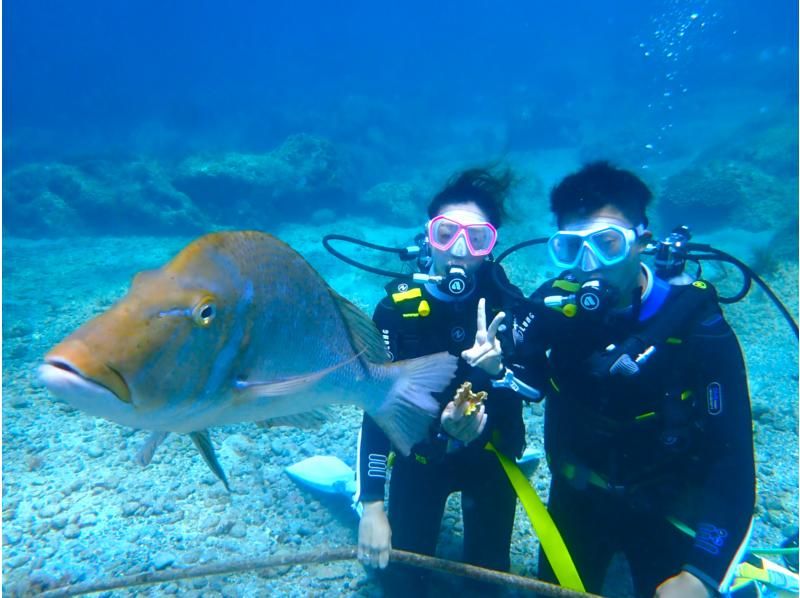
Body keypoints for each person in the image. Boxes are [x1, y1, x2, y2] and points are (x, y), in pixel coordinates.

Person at [467, 161, 757, 597]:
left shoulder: (697, 325)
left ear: (642, 240)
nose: (589, 265)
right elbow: (523, 378)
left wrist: (702, 573)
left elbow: (732, 458)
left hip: (668, 507)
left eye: (607, 243)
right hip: (577, 499)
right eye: (571, 249)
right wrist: (495, 371)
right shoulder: (554, 309)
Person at [355, 167, 527, 594]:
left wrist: (497, 375)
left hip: (490, 461)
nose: (459, 250)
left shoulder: (510, 308)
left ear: (491, 248)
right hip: (421, 457)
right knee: (400, 582)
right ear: (428, 236)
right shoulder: (395, 311)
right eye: (446, 233)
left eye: (477, 239)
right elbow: (377, 408)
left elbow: (536, 390)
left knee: (490, 583)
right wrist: (372, 506)